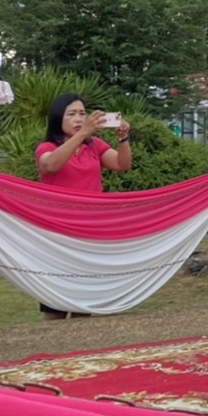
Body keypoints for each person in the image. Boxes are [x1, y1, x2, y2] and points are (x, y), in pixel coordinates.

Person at [34, 92, 133, 319]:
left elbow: (121, 164)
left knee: (84, 296)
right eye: (72, 114)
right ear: (58, 118)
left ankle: (80, 348)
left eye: (82, 113)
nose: (79, 119)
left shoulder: (94, 145)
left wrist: (123, 138)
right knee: (56, 301)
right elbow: (50, 166)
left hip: (89, 228)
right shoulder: (46, 146)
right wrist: (83, 134)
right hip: (58, 230)